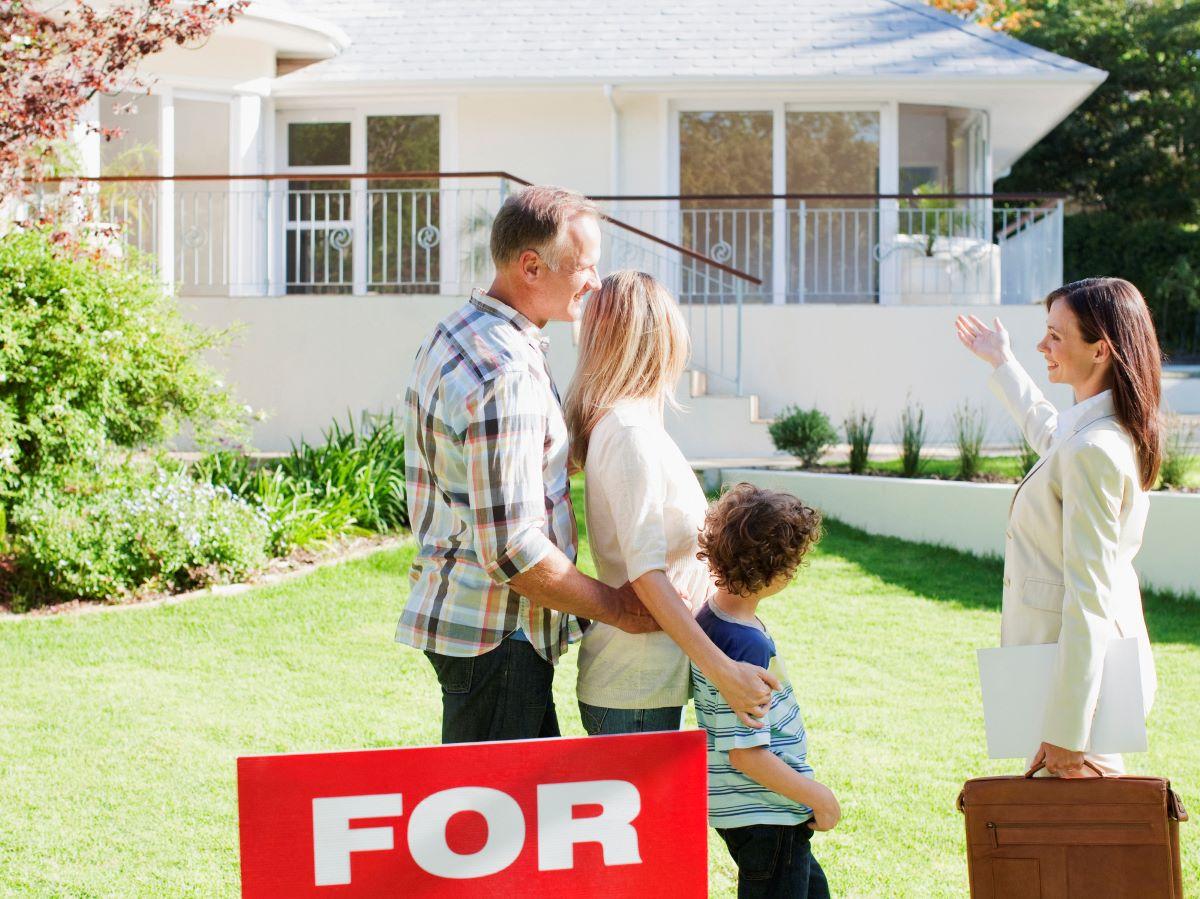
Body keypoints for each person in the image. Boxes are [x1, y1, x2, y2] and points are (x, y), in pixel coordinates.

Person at [398, 186, 658, 745]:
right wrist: (620, 609)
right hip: (499, 637)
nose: (594, 282)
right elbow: (514, 550)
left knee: (525, 821)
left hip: (483, 630)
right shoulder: (506, 373)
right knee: (488, 826)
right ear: (532, 267)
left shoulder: (459, 332)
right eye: (584, 266)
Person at [955, 277, 1162, 777]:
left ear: (1101, 349)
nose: (1041, 345)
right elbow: (1049, 431)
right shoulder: (1090, 431)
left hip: (1076, 688)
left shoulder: (1095, 449)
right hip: (1071, 678)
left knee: (1080, 837)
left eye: (1054, 335)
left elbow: (1088, 596)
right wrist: (1002, 362)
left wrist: (1069, 730)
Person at [563, 271, 777, 736]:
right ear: (658, 339)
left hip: (652, 682)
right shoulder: (628, 432)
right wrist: (723, 669)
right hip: (635, 688)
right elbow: (646, 574)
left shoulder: (633, 424)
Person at [691, 483, 839, 899]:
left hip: (756, 811)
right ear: (777, 572)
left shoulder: (711, 618)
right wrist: (818, 796)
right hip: (767, 812)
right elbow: (745, 753)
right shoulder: (745, 645)